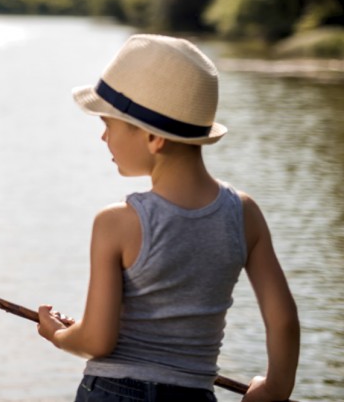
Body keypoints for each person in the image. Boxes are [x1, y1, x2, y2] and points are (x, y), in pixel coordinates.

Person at [36, 34, 300, 402]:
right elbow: (284, 322)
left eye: (109, 125)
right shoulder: (245, 214)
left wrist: (58, 334)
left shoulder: (116, 224)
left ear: (152, 138)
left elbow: (97, 340)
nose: (102, 137)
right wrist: (274, 389)